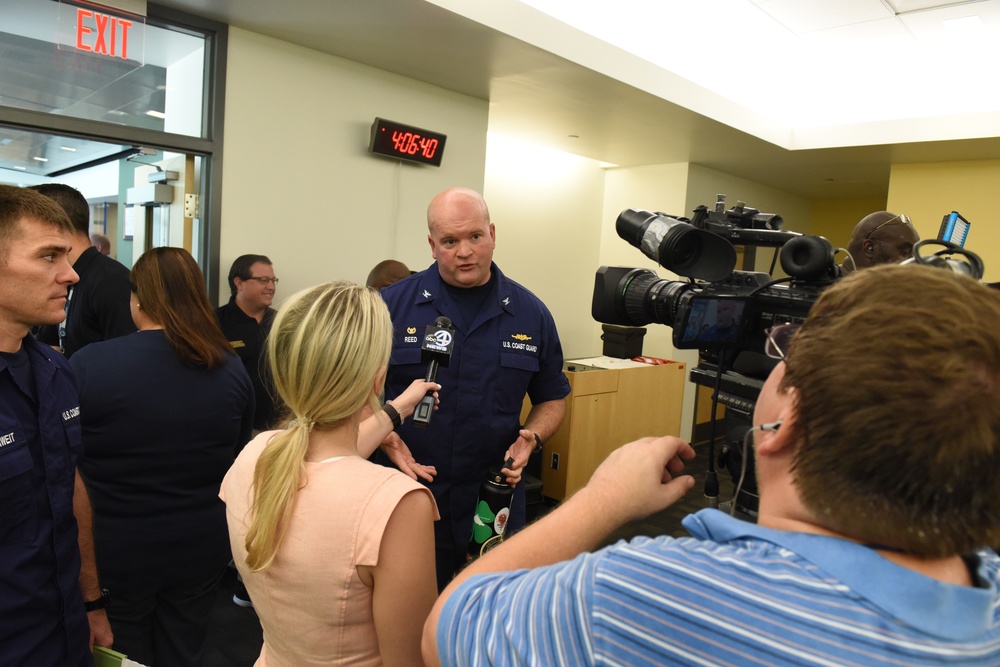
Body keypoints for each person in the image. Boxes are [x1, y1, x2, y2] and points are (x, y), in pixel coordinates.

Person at [423, 263, 1000, 666]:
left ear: (784, 426)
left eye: (781, 352)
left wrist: (603, 501)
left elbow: (453, 626)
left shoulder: (645, 593)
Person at [221, 281, 440, 666]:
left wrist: (394, 411)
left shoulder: (255, 455)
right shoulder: (397, 504)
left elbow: (323, 459)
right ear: (377, 379)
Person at [377, 186, 570, 590]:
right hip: (407, 492)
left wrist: (532, 437)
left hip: (493, 497)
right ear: (432, 245)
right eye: (450, 241)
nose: (464, 251)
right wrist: (387, 437)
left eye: (474, 237)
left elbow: (552, 396)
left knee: (485, 609)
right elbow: (351, 391)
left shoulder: (530, 314)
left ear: (492, 234)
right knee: (408, 612)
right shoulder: (389, 308)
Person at [71, 247, 254, 667]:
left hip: (117, 551)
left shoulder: (91, 364)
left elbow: (69, 465)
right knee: (185, 645)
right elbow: (236, 451)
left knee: (124, 651)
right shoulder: (228, 366)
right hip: (201, 545)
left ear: (137, 298)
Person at [0, 185, 112, 665]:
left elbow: (69, 486)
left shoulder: (56, 369)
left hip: (63, 625)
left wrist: (91, 600)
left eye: (67, 256)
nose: (70, 275)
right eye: (49, 256)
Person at [30, 184, 136, 357]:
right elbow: (52, 342)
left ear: (56, 224)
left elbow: (123, 360)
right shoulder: (61, 278)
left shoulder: (113, 282)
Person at [217, 254, 282, 433]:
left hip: (278, 428)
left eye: (273, 280)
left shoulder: (284, 322)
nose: (271, 287)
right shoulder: (213, 323)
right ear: (239, 283)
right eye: (263, 280)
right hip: (230, 426)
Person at [842, 210, 920, 273]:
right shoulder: (832, 288)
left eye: (913, 254)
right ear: (869, 248)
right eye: (905, 252)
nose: (913, 261)